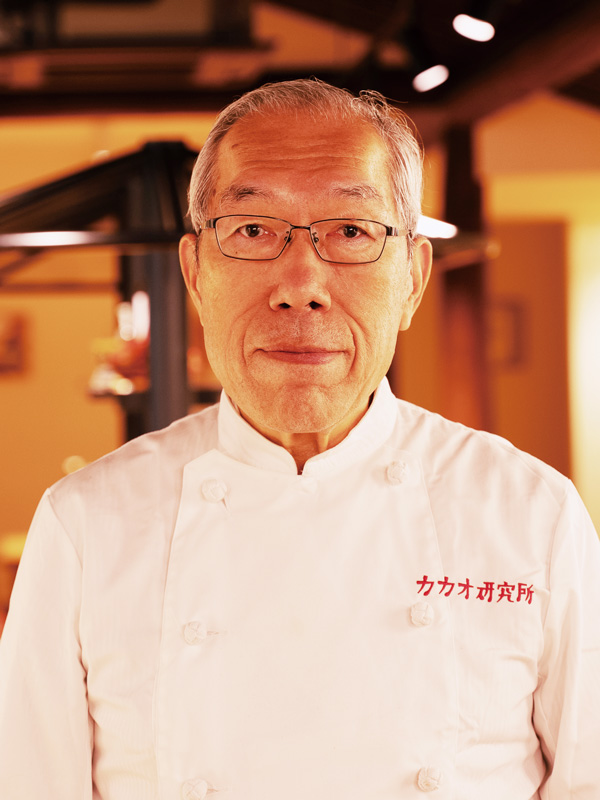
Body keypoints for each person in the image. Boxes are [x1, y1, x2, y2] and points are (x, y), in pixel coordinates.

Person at [0, 78, 599, 800]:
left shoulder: (531, 513)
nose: (300, 284)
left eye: (351, 231)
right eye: (253, 231)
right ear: (195, 272)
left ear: (412, 278)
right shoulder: (86, 524)